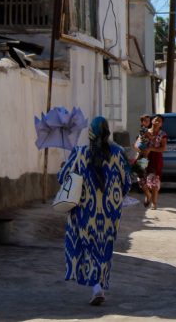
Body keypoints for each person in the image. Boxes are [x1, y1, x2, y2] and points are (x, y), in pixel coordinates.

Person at [58, 116, 129, 306]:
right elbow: (126, 183)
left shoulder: (80, 153)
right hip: (110, 213)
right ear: (107, 132)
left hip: (84, 212)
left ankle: (96, 287)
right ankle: (99, 286)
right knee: (104, 249)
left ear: (90, 133)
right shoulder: (118, 153)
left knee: (88, 248)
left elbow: (63, 178)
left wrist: (63, 169)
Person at [145, 114, 169, 209]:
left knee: (154, 182)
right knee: (144, 181)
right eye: (156, 120)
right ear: (152, 121)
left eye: (160, 121)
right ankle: (148, 195)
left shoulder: (162, 135)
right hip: (145, 159)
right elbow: (139, 144)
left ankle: (154, 203)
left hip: (156, 160)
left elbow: (163, 148)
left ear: (161, 124)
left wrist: (151, 149)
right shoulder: (145, 132)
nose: (157, 122)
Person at [133, 115, 153, 207]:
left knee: (141, 175)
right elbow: (137, 145)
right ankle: (148, 194)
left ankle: (148, 195)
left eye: (148, 121)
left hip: (144, 157)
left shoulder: (144, 131)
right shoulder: (144, 130)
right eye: (145, 121)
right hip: (143, 156)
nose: (147, 122)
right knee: (141, 176)